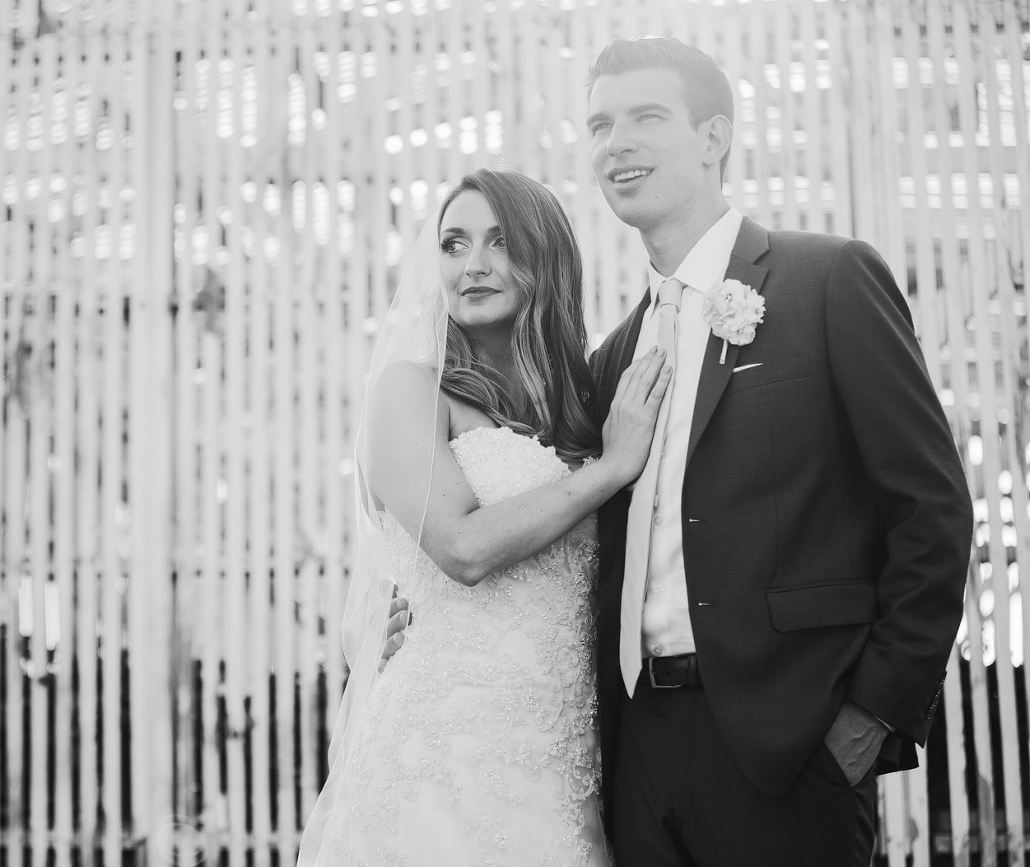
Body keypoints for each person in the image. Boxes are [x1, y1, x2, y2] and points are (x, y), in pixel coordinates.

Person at [582, 37, 972, 865]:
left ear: (712, 137)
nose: (614, 143)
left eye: (645, 117)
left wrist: (870, 715)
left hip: (793, 746)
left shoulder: (826, 279)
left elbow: (929, 509)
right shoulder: (611, 358)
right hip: (639, 751)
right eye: (598, 124)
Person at [296, 168, 670, 867]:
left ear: (546, 257)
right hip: (439, 749)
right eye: (453, 243)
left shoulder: (585, 414)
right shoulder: (408, 390)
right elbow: (461, 547)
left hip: (560, 759)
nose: (473, 264)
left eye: (499, 242)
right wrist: (611, 468)